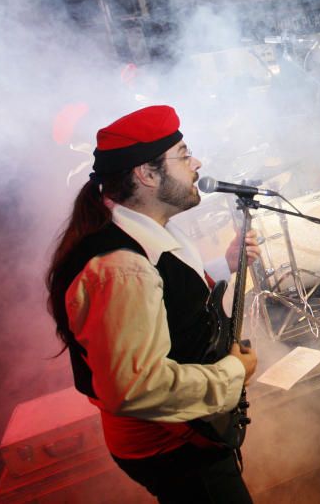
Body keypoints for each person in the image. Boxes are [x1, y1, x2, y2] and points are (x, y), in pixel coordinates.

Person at [45, 105, 259, 502]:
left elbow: (163, 298)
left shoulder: (139, 232)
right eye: (183, 154)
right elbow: (137, 388)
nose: (196, 163)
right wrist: (234, 371)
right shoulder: (121, 268)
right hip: (174, 449)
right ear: (146, 174)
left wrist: (222, 265)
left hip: (185, 433)